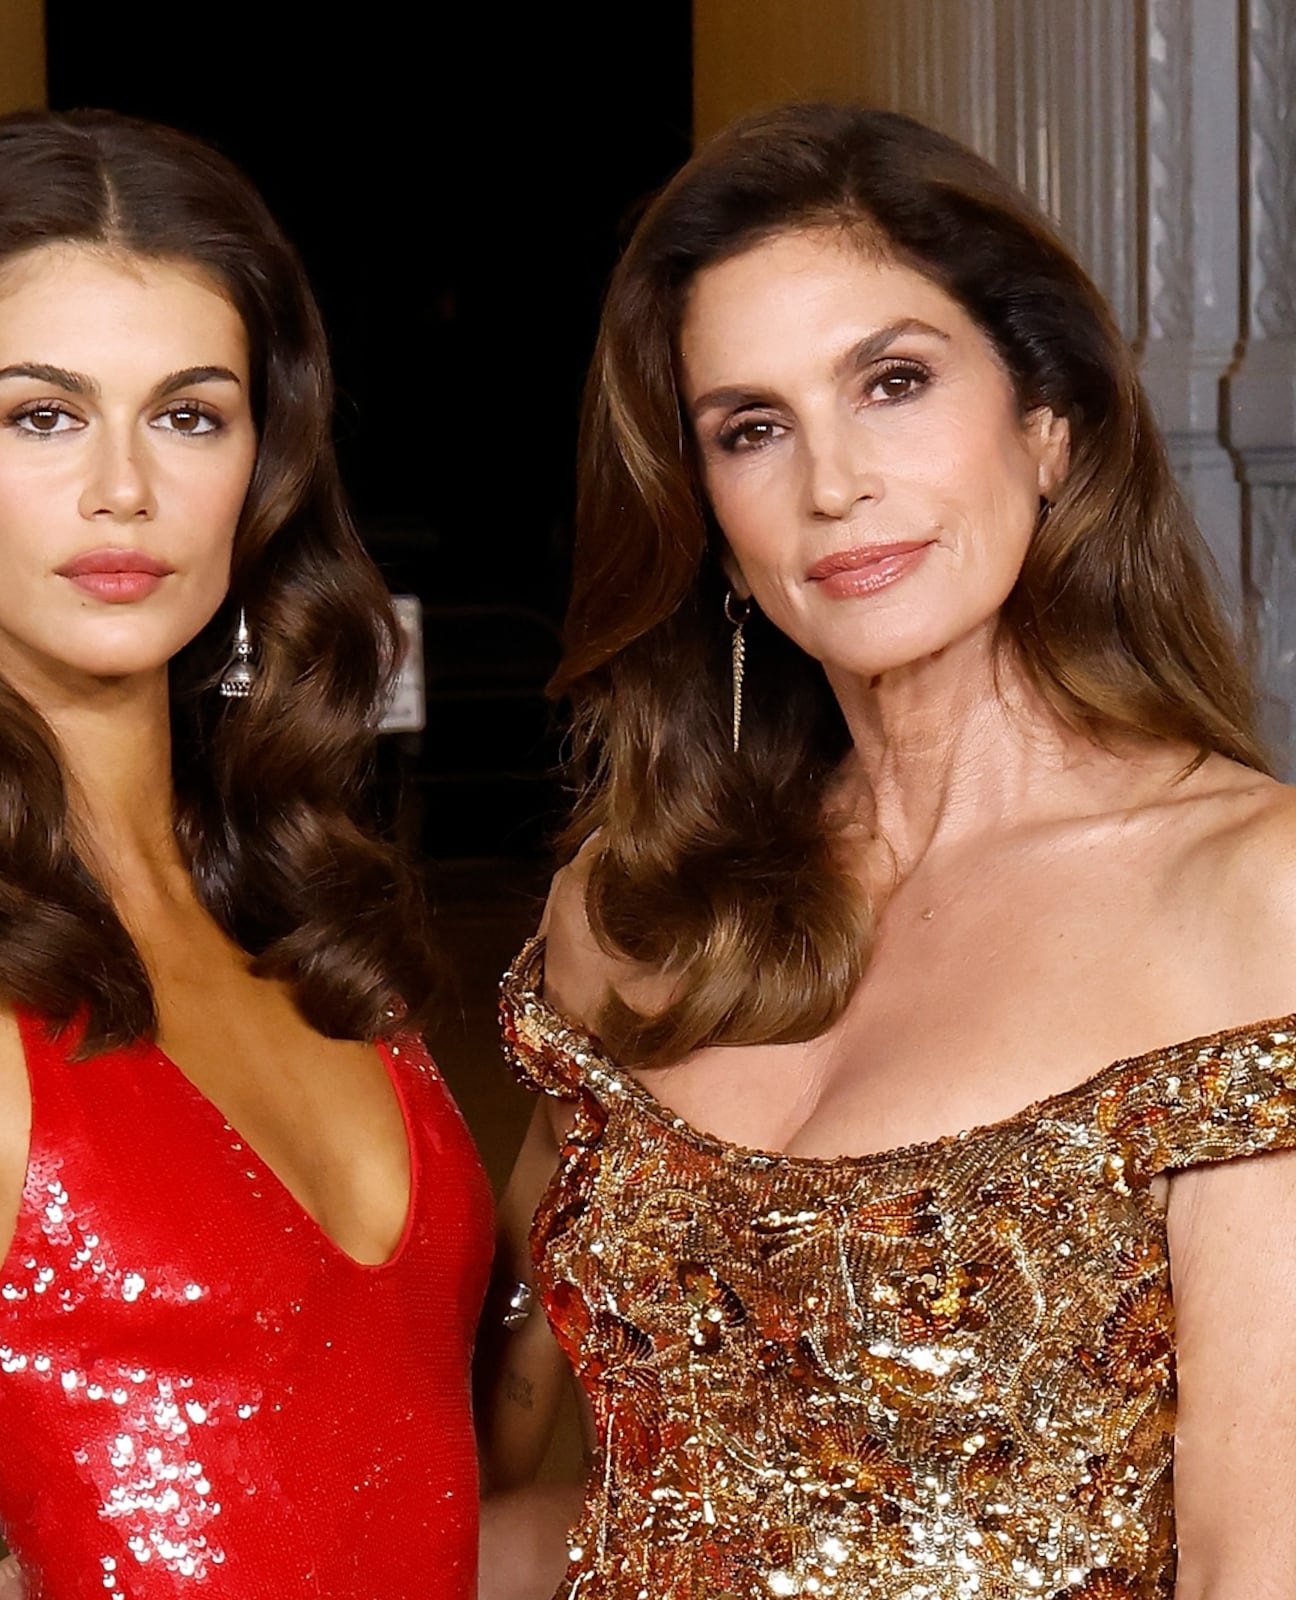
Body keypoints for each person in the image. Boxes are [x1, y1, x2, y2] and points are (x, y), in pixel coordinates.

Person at [479, 103, 1296, 1600]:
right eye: (752, 427)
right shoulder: (633, 905)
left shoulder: (1251, 896)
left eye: (895, 383)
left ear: (1048, 423)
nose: (833, 483)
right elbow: (506, 1480)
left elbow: (1262, 1564)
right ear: (713, 518)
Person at [0, 110, 493, 1600]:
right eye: (42, 415)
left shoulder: (296, 909)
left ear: (262, 466)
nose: (122, 488)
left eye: (189, 414)